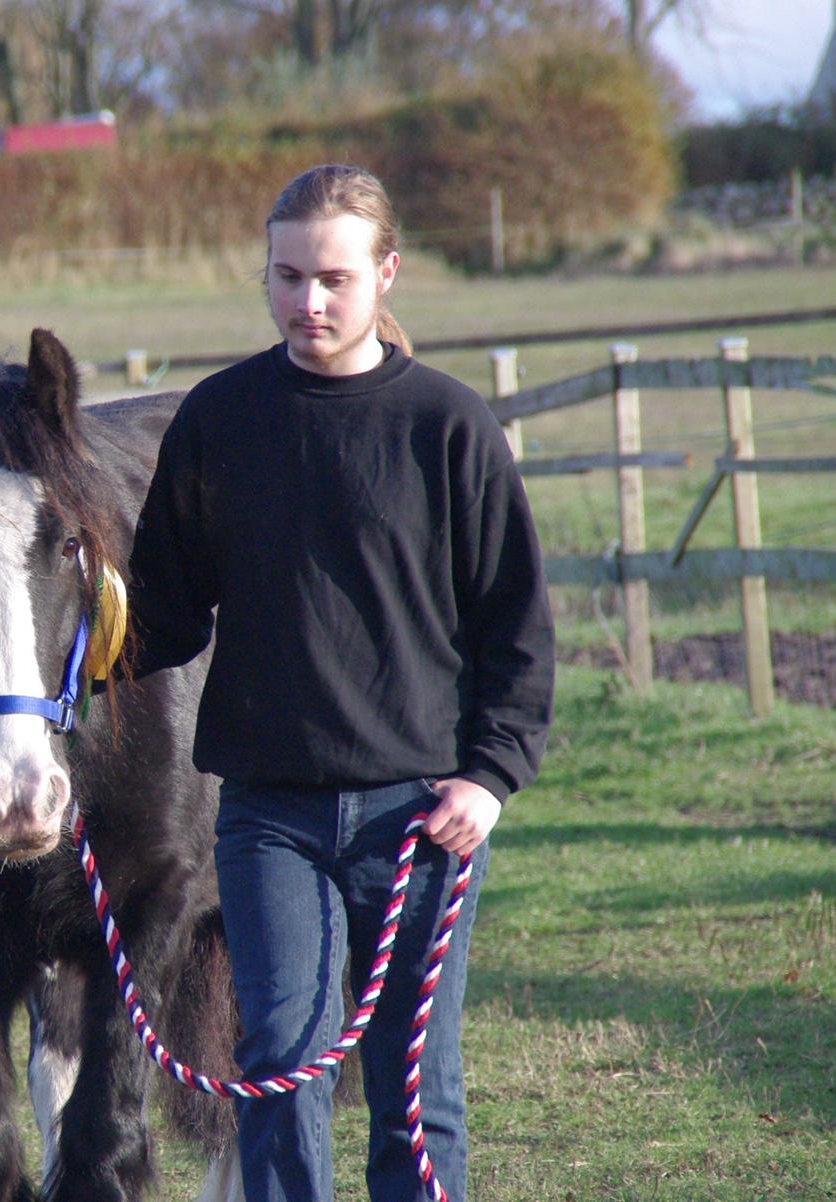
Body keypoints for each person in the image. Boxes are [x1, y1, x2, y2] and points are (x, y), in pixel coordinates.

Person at [121, 163, 555, 1201]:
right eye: (285, 276)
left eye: (332, 278)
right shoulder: (218, 422)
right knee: (277, 1064)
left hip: (420, 817)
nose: (306, 301)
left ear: (385, 274)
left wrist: (488, 778)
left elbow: (517, 627)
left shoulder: (448, 428)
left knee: (416, 1086)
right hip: (268, 815)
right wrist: (72, 643)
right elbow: (162, 616)